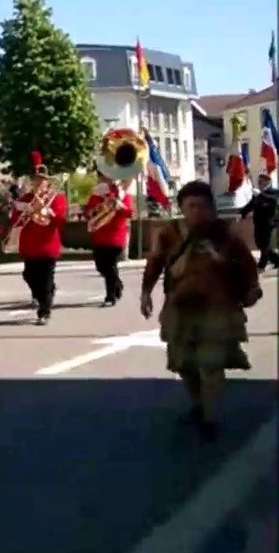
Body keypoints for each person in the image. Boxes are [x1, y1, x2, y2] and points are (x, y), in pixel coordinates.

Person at [140, 180, 262, 441]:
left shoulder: (225, 234)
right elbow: (155, 264)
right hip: (180, 307)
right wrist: (146, 293)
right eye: (191, 206)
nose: (197, 211)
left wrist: (248, 285)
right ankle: (198, 404)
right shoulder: (168, 233)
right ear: (182, 208)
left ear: (211, 208)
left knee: (211, 363)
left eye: (203, 206)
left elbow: (247, 265)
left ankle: (210, 416)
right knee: (184, 363)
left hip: (218, 308)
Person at [10, 151, 68, 325]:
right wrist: (25, 208)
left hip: (48, 245)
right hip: (29, 245)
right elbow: (14, 221)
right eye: (36, 179)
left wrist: (46, 208)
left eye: (42, 180)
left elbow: (60, 219)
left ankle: (44, 311)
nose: (38, 183)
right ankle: (44, 294)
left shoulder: (56, 198)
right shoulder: (24, 199)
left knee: (46, 278)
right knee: (29, 275)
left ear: (48, 182)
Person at [84, 174, 134, 307]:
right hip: (99, 235)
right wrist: (96, 208)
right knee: (101, 266)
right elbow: (88, 212)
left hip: (115, 235)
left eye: (107, 178)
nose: (105, 180)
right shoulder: (97, 195)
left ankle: (110, 296)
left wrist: (120, 205)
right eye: (103, 178)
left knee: (110, 266)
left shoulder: (123, 195)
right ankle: (117, 284)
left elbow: (130, 213)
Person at [239, 173, 278, 270]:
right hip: (258, 222)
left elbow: (271, 204)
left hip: (268, 222)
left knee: (264, 244)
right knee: (260, 243)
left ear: (267, 182)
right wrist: (242, 213)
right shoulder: (258, 195)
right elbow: (251, 205)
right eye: (258, 182)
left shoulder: (274, 192)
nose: (259, 184)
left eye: (261, 182)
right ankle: (276, 260)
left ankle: (262, 263)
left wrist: (262, 195)